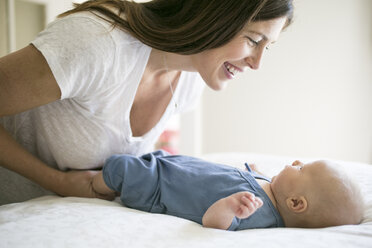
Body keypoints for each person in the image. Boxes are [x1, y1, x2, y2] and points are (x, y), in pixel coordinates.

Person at [0, 0, 294, 205]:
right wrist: (56, 182)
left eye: (269, 46)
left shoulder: (192, 77)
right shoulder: (99, 44)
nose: (257, 63)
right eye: (254, 40)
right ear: (215, 18)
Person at [92, 150, 364, 231]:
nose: (296, 162)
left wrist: (229, 208)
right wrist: (256, 172)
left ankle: (90, 186)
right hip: (174, 167)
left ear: (295, 204)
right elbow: (256, 179)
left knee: (118, 167)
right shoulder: (273, 188)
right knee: (142, 157)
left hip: (157, 189)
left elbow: (214, 223)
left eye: (302, 169)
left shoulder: (256, 214)